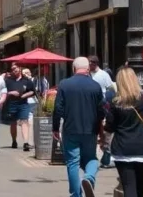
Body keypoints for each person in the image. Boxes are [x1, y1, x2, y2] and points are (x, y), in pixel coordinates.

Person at [103, 67, 143, 197]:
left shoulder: (117, 102)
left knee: (128, 186)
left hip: (123, 148)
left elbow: (110, 127)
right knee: (141, 185)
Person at [53, 57, 106, 197]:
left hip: (71, 129)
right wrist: (101, 131)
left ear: (73, 68)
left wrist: (55, 128)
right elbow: (101, 111)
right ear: (88, 69)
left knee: (72, 163)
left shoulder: (64, 84)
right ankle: (89, 177)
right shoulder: (95, 86)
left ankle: (76, 194)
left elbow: (58, 108)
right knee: (91, 159)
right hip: (90, 130)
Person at [3, 64, 36, 151]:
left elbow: (32, 91)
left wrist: (24, 95)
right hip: (12, 103)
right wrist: (11, 93)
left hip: (23, 104)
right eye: (12, 69)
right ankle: (14, 140)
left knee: (24, 121)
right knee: (13, 123)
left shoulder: (26, 80)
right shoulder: (8, 80)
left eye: (16, 68)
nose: (14, 70)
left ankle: (25, 143)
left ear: (20, 68)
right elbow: (3, 92)